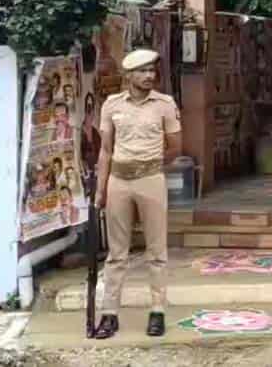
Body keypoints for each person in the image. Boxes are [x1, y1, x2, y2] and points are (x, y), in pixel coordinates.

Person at [93, 49, 182, 339]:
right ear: (128, 75)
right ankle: (109, 314)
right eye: (142, 71)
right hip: (118, 180)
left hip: (151, 179)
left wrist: (152, 165)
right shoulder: (112, 105)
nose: (149, 76)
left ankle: (157, 311)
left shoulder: (165, 104)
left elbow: (175, 147)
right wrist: (100, 189)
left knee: (156, 251)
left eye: (152, 71)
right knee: (116, 253)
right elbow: (105, 150)